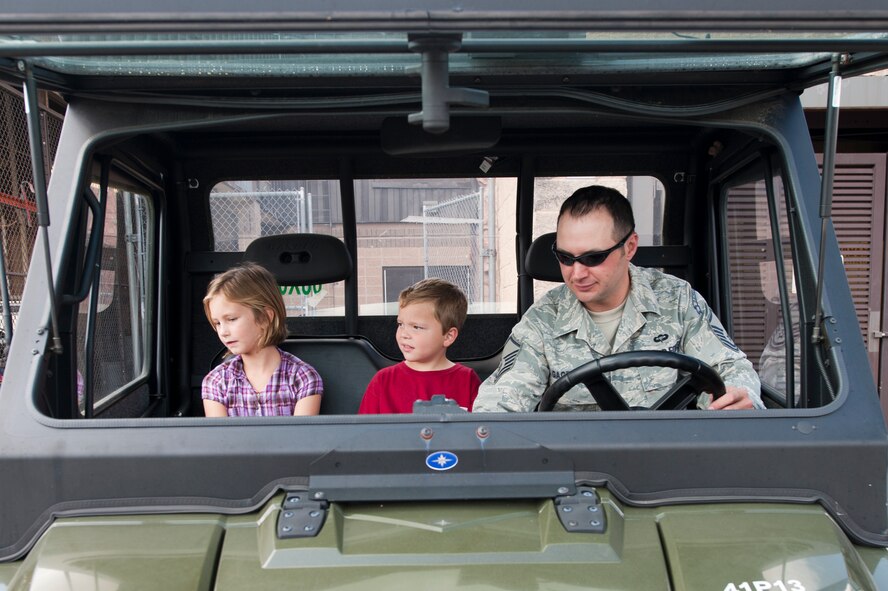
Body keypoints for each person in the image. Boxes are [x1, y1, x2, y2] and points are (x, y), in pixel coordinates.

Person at [472, 185, 763, 412]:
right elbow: (505, 396)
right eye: (564, 257)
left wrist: (738, 395)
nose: (577, 273)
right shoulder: (544, 318)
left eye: (594, 257)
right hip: (577, 471)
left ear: (630, 247)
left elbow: (729, 368)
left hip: (670, 462)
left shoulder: (677, 301)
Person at [201, 262, 323, 417]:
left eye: (231, 319)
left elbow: (300, 439)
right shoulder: (216, 381)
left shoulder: (302, 377)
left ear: (265, 317)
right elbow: (222, 440)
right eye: (217, 323)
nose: (223, 332)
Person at [358, 278, 481, 414]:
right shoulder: (383, 381)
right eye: (400, 324)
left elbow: (480, 431)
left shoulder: (467, 380)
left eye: (416, 327)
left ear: (448, 336)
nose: (404, 334)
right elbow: (364, 433)